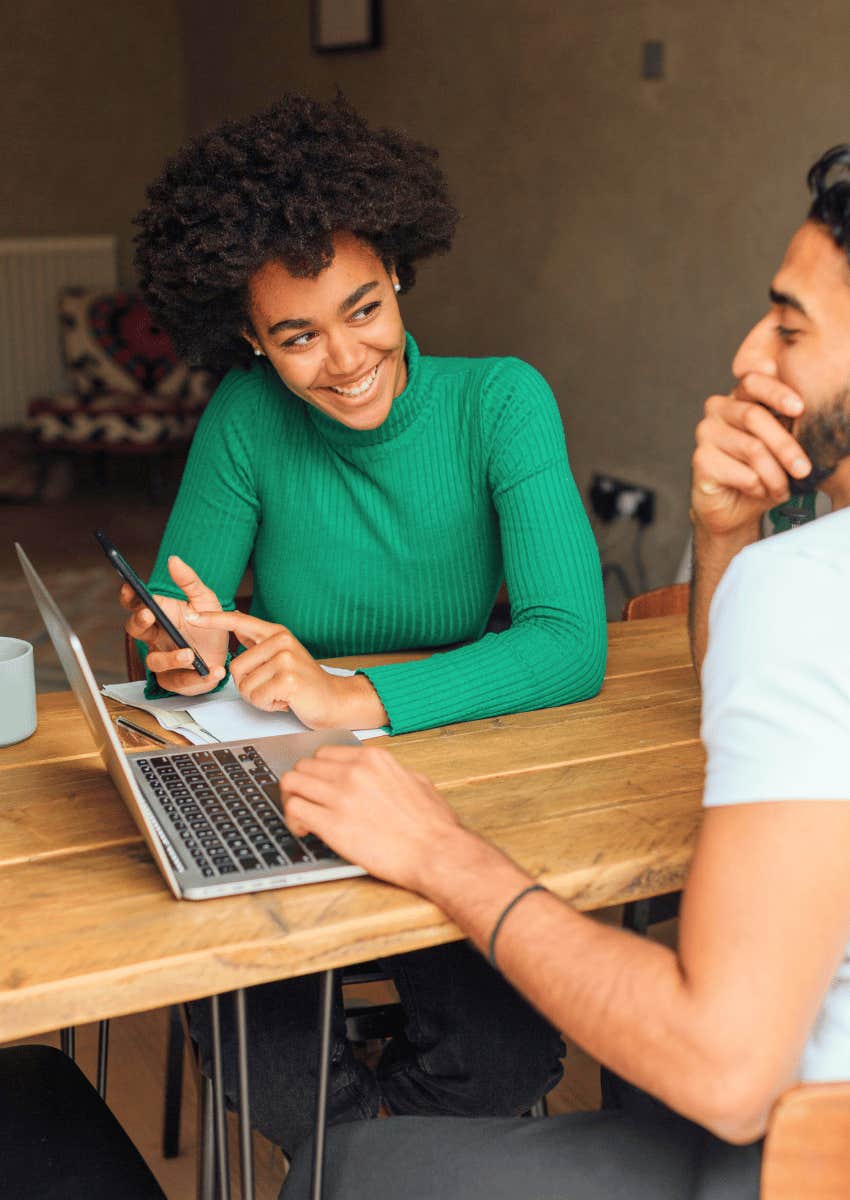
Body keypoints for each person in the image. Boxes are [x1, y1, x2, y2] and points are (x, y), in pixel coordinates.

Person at [279, 144, 850, 1199]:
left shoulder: (809, 587)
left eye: (788, 326)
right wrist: (728, 539)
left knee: (338, 1168)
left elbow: (727, 1072)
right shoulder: (797, 585)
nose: (745, 353)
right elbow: (766, 711)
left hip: (799, 1161)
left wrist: (441, 850)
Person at [125, 94, 607, 1153]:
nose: (344, 360)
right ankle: (380, 1159)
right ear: (250, 340)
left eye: (362, 309)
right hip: (278, 789)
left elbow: (571, 642)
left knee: (508, 1056)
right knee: (275, 1075)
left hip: (449, 782)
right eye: (297, 336)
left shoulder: (502, 403)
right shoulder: (246, 417)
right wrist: (182, 653)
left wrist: (351, 694)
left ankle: (364, 1160)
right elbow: (176, 632)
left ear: (396, 271)